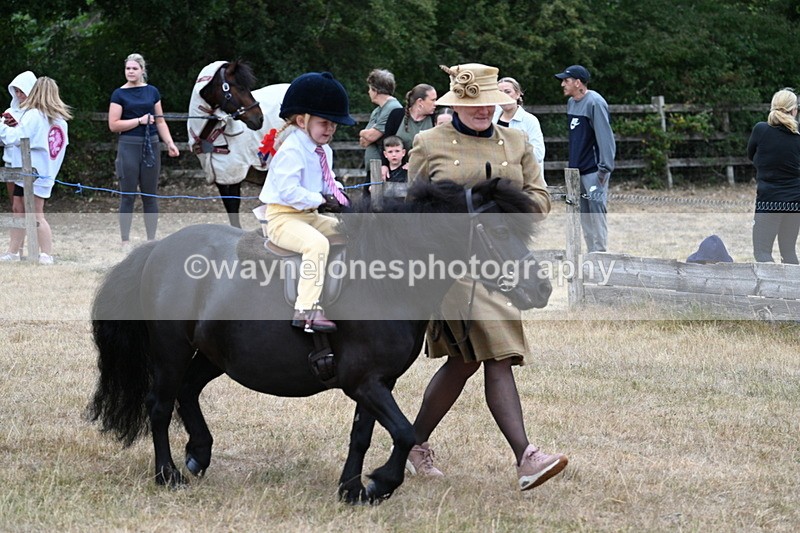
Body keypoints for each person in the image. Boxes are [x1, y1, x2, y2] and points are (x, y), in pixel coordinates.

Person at [406, 63, 568, 491]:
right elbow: (411, 209)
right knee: (497, 351)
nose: (482, 111)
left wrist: (500, 210)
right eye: (472, 104)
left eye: (489, 103)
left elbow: (541, 198)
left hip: (502, 263)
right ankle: (527, 456)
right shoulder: (428, 142)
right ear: (456, 103)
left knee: (465, 362)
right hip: (450, 271)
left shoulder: (516, 142)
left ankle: (412, 441)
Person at [258, 72, 354, 332]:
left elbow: (328, 180)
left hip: (309, 215)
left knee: (352, 233)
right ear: (302, 121)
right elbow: (289, 192)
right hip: (282, 217)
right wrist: (320, 198)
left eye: (334, 124)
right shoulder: (291, 150)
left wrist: (343, 197)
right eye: (325, 123)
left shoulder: (325, 151)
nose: (331, 129)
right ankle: (306, 308)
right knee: (316, 244)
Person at [108, 53, 179, 252]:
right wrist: (138, 121)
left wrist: (169, 143)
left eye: (134, 68)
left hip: (151, 146)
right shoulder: (119, 94)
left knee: (150, 195)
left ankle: (151, 240)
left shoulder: (152, 92)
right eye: (127, 68)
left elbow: (160, 120)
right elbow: (113, 124)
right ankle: (125, 241)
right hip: (128, 146)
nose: (130, 72)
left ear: (142, 70)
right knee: (128, 195)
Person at [0, 77, 71, 265]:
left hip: (33, 172)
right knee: (19, 210)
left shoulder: (35, 115)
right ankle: (14, 251)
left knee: (36, 213)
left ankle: (46, 254)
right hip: (39, 172)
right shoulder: (59, 120)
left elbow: (15, 137)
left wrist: (1, 125)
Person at [555, 64, 616, 253]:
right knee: (582, 214)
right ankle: (591, 255)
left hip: (593, 171)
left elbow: (605, 137)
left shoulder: (595, 102)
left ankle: (600, 256)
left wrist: (604, 168)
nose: (562, 85)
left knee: (596, 213)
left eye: (566, 80)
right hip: (576, 171)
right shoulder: (572, 103)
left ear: (578, 82)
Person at [747, 88, 800, 264]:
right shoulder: (797, 137)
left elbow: (751, 155)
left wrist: (765, 167)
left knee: (762, 253)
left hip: (769, 201)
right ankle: (794, 291)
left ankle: (770, 292)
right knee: (789, 252)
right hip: (795, 203)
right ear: (794, 110)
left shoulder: (760, 130)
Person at [2, 70, 37, 257]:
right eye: (16, 91)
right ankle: (16, 248)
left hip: (28, 166)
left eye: (22, 91)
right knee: (15, 207)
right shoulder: (9, 112)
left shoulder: (35, 114)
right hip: (10, 163)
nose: (19, 95)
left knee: (26, 207)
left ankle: (20, 248)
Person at [493, 77, 546, 182]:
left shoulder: (529, 120)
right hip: (498, 181)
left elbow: (538, 154)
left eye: (508, 92)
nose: (504, 96)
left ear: (518, 94)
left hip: (527, 181)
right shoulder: (492, 120)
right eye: (500, 93)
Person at [380, 84, 437, 175]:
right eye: (433, 100)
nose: (436, 103)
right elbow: (385, 142)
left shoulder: (435, 118)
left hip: (427, 173)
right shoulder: (397, 115)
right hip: (398, 173)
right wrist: (384, 165)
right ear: (420, 102)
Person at [359, 69, 402, 172]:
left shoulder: (393, 108)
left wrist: (361, 132)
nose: (368, 92)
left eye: (370, 88)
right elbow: (363, 142)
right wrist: (368, 135)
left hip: (383, 170)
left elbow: (370, 136)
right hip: (373, 170)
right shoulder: (377, 110)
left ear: (375, 90)